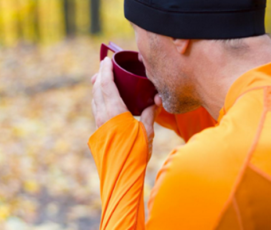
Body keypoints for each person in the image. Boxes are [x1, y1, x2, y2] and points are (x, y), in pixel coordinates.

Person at [88, 0, 271, 229]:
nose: (139, 57)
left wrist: (119, 158)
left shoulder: (200, 176)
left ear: (178, 35)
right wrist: (182, 92)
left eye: (136, 29)